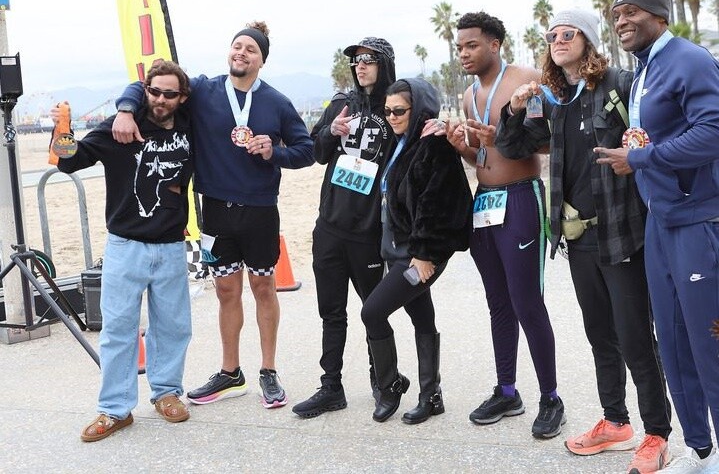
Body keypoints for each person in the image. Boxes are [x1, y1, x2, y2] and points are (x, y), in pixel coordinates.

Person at [494, 8, 673, 473]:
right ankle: (615, 421)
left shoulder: (619, 84)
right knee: (600, 336)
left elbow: (659, 130)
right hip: (579, 240)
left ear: (588, 40)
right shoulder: (554, 100)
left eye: (567, 33)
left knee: (636, 338)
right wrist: (514, 111)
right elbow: (513, 146)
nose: (557, 40)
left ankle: (657, 432)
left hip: (623, 235)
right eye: (551, 35)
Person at [112, 22, 314, 409]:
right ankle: (230, 372)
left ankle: (268, 370)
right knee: (226, 292)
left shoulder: (277, 102)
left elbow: (306, 150)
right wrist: (124, 110)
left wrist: (274, 152)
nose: (241, 53)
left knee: (264, 288)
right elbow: (149, 84)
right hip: (216, 210)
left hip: (260, 210)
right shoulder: (204, 90)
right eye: (237, 46)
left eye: (251, 49)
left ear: (262, 60)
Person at [596, 0, 719, 473]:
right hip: (660, 222)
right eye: (616, 14)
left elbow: (713, 132)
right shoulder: (644, 67)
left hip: (697, 222)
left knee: (709, 344)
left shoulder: (689, 59)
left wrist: (641, 159)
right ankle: (700, 450)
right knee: (673, 344)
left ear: (659, 14)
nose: (621, 21)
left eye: (631, 11)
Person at [51, 60, 194, 441]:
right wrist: (61, 130)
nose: (160, 99)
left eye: (169, 94)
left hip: (170, 245)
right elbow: (69, 161)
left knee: (173, 326)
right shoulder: (120, 129)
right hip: (125, 245)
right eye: (154, 91)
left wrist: (126, 104)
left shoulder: (189, 124)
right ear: (146, 90)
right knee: (118, 329)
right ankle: (115, 409)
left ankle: (167, 393)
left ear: (182, 97)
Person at [446, 11, 565, 439]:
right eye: (459, 47)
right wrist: (463, 147)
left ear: (494, 44)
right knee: (498, 302)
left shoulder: (525, 80)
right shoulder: (468, 96)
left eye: (471, 45)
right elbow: (481, 157)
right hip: (485, 202)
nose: (463, 53)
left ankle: (551, 397)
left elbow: (550, 139)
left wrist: (505, 137)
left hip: (520, 198)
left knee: (526, 301)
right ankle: (507, 390)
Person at [292, 37, 397, 418]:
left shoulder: (396, 107)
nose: (360, 66)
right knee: (331, 311)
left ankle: (384, 381)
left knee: (374, 311)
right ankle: (331, 387)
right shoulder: (341, 104)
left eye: (369, 60)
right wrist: (330, 132)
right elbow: (317, 153)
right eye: (356, 61)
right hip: (330, 227)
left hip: (369, 230)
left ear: (385, 64)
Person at [360, 77, 472, 424]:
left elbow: (436, 203)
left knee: (372, 313)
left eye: (400, 111)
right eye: (388, 111)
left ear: (419, 110)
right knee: (421, 316)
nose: (392, 117)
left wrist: (424, 254)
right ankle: (431, 396)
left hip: (420, 255)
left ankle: (390, 385)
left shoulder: (433, 144)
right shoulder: (402, 143)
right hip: (398, 251)